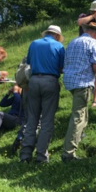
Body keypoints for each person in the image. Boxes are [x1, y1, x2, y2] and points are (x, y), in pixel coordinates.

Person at [19, 25, 65, 164]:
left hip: (33, 81)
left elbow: (29, 63)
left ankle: (25, 155)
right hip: (50, 81)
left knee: (32, 119)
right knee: (47, 120)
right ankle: (41, 156)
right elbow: (62, 67)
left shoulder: (34, 44)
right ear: (57, 35)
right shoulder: (59, 46)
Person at [61, 22, 96, 162]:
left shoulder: (73, 42)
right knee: (78, 117)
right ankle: (68, 153)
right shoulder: (94, 43)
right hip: (83, 82)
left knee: (82, 114)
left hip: (70, 81)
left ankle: (78, 138)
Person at [77, 1, 96, 108]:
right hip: (83, 48)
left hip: (95, 47)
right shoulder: (84, 16)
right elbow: (79, 22)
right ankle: (82, 99)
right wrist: (92, 16)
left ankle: (95, 100)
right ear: (94, 11)